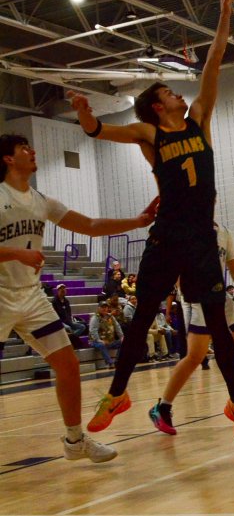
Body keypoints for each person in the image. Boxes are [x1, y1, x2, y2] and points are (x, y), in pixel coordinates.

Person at [68, 0, 234, 445]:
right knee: (145, 311)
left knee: (218, 324)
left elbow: (212, 64)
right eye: (171, 91)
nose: (179, 95)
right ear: (157, 105)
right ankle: (117, 395)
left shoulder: (200, 119)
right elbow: (97, 132)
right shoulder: (149, 135)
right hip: (167, 232)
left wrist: (225, 18)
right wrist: (85, 115)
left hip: (200, 237)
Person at [0, 133, 157, 463]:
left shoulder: (41, 200)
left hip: (30, 296)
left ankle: (74, 441)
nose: (32, 150)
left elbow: (90, 225)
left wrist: (138, 221)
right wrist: (17, 253)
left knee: (68, 364)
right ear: (8, 159)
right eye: (23, 148)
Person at [149, 223, 234, 435]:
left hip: (220, 296)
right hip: (197, 299)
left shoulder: (224, 232)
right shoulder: (186, 229)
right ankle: (162, 407)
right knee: (194, 357)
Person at [89, 301, 124, 368]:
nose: (104, 309)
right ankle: (110, 363)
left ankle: (117, 362)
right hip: (95, 341)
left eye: (106, 307)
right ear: (98, 308)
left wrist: (121, 336)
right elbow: (93, 331)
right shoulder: (95, 318)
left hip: (110, 341)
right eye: (102, 307)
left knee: (124, 342)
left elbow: (117, 327)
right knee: (101, 344)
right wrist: (99, 340)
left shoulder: (111, 317)